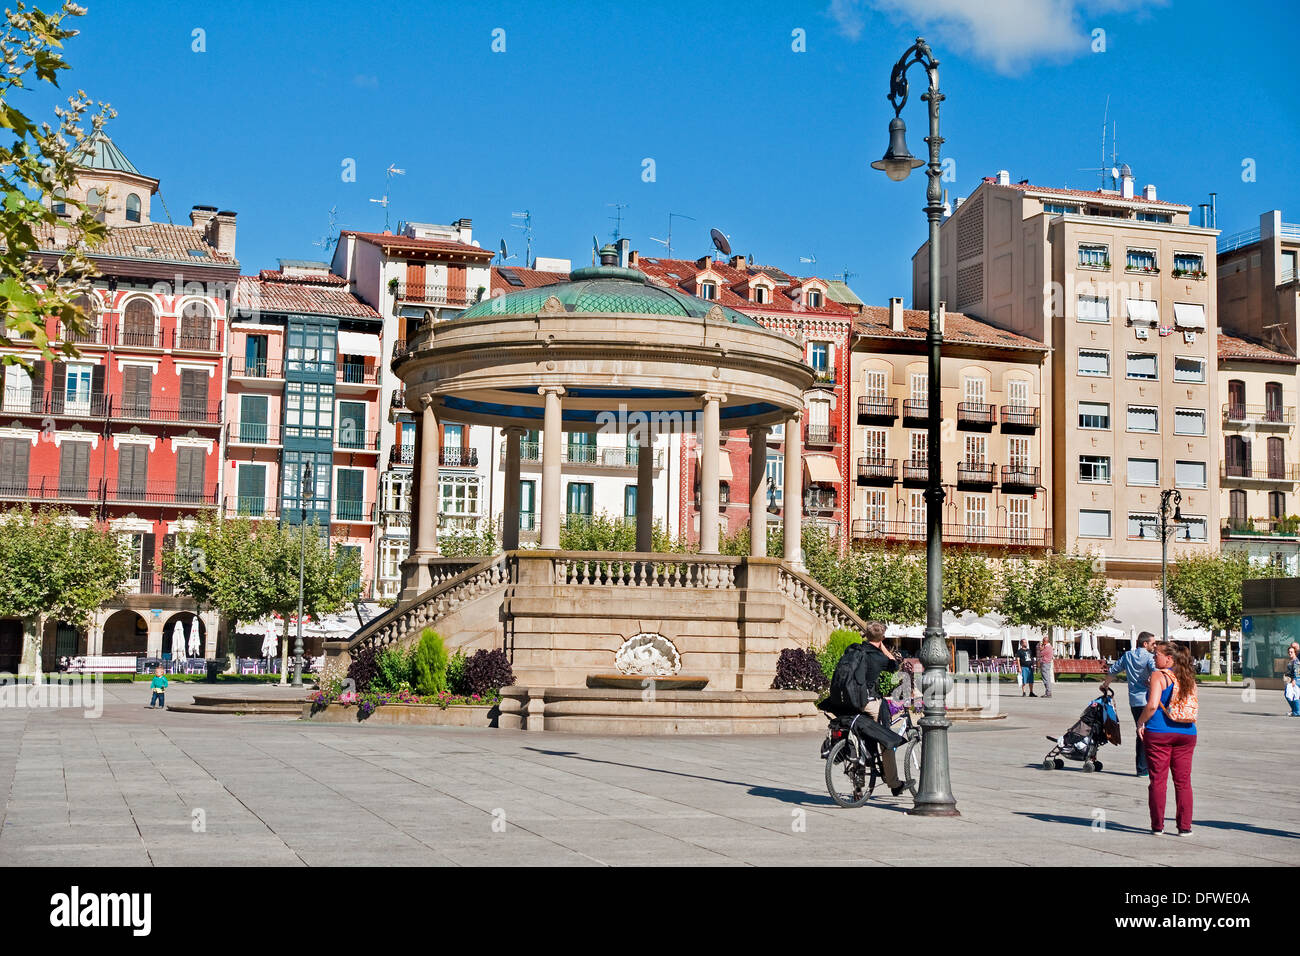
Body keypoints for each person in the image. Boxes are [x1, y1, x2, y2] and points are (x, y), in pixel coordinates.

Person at [1137, 641, 1198, 835]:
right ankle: (1185, 827)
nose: (1154, 657)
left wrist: (1140, 722)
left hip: (1159, 732)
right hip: (1187, 732)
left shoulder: (1159, 675)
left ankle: (1157, 826)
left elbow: (1153, 705)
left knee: (1158, 781)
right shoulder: (1188, 676)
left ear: (1169, 658)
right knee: (1183, 782)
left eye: (1157, 654)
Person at [1101, 631, 1157, 777]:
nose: (1155, 646)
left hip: (1134, 701)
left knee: (1140, 732)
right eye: (1153, 643)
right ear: (1145, 644)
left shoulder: (1127, 656)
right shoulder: (1150, 658)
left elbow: (1113, 670)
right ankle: (1148, 767)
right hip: (1148, 699)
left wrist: (1105, 685)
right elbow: (1156, 672)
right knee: (1150, 732)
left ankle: (1142, 768)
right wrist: (1152, 680)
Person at [1285, 645, 1300, 717]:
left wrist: (1294, 680)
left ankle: (1297, 711)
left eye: (1291, 652)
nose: (1290, 653)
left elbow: (1297, 672)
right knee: (1289, 695)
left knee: (1292, 696)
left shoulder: (1296, 661)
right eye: (1289, 652)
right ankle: (1295, 711)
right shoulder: (1292, 661)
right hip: (1291, 681)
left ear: (1295, 653)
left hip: (1295, 681)